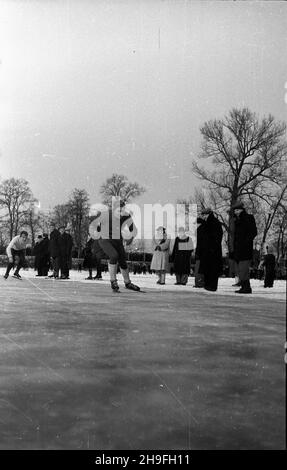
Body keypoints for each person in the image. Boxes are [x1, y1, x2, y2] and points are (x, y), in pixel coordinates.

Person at [89, 200, 140, 292]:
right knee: (114, 256)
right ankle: (113, 281)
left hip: (117, 240)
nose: (120, 213)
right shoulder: (105, 214)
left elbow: (134, 229)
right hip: (105, 239)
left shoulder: (126, 216)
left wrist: (130, 238)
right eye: (118, 210)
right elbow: (93, 222)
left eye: (121, 210)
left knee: (122, 261)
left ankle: (128, 283)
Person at [233, 201, 257, 294]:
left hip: (245, 249)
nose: (236, 212)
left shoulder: (248, 218)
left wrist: (246, 242)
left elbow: (253, 232)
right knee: (240, 270)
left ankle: (246, 287)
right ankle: (244, 286)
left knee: (243, 269)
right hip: (239, 249)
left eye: (237, 210)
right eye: (235, 210)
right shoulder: (237, 220)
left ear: (242, 210)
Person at [199, 208, 223, 292]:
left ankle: (212, 286)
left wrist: (213, 248)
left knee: (212, 269)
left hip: (213, 250)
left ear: (209, 214)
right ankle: (208, 284)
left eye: (205, 215)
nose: (203, 217)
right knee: (207, 268)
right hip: (207, 250)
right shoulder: (206, 223)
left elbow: (217, 236)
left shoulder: (214, 223)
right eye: (203, 215)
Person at [193, 217, 205, 288]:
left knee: (198, 269)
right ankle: (200, 282)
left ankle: (199, 283)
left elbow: (200, 243)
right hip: (202, 252)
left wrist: (197, 252)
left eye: (196, 224)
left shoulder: (200, 230)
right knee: (199, 268)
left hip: (201, 253)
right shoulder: (202, 230)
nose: (195, 225)